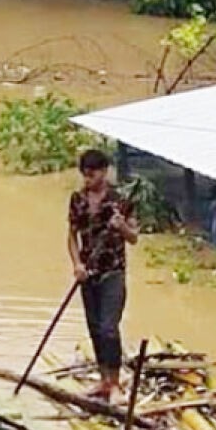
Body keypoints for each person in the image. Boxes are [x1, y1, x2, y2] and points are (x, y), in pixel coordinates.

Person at [68, 149, 138, 401]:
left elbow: (134, 237)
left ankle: (116, 382)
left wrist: (121, 227)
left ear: (104, 171)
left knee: (109, 328)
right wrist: (77, 264)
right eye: (84, 175)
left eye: (92, 174)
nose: (88, 180)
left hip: (113, 272)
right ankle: (103, 379)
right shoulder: (77, 199)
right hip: (88, 274)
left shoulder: (120, 201)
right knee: (95, 328)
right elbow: (72, 236)